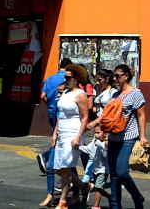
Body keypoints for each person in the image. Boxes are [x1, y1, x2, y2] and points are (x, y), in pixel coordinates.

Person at [89, 64, 149, 209]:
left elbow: (141, 115)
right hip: (113, 138)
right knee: (114, 174)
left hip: (128, 138)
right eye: (114, 76)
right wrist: (103, 132)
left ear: (126, 76)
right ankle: (115, 205)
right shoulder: (115, 95)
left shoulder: (135, 93)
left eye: (117, 76)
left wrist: (143, 136)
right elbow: (109, 117)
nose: (115, 79)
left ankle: (137, 196)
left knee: (121, 172)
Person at [49, 64, 90, 209]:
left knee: (65, 168)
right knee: (58, 168)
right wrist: (55, 133)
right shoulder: (65, 92)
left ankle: (63, 201)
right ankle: (83, 186)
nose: (65, 80)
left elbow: (85, 117)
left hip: (73, 133)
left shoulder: (81, 94)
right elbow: (60, 115)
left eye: (68, 77)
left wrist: (78, 136)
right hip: (62, 133)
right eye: (64, 77)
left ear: (76, 78)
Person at [37, 57, 73, 205]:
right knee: (56, 163)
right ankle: (52, 193)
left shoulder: (51, 79)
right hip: (60, 125)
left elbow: (43, 96)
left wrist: (51, 105)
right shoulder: (67, 86)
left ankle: (80, 187)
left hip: (60, 121)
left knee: (66, 164)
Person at [79, 130, 109, 209]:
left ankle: (96, 206)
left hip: (103, 170)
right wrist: (78, 147)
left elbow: (106, 154)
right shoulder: (94, 141)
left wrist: (99, 143)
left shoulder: (107, 142)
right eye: (95, 133)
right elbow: (88, 149)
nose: (96, 135)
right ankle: (110, 197)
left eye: (98, 133)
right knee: (97, 187)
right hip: (95, 169)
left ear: (105, 134)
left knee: (98, 187)